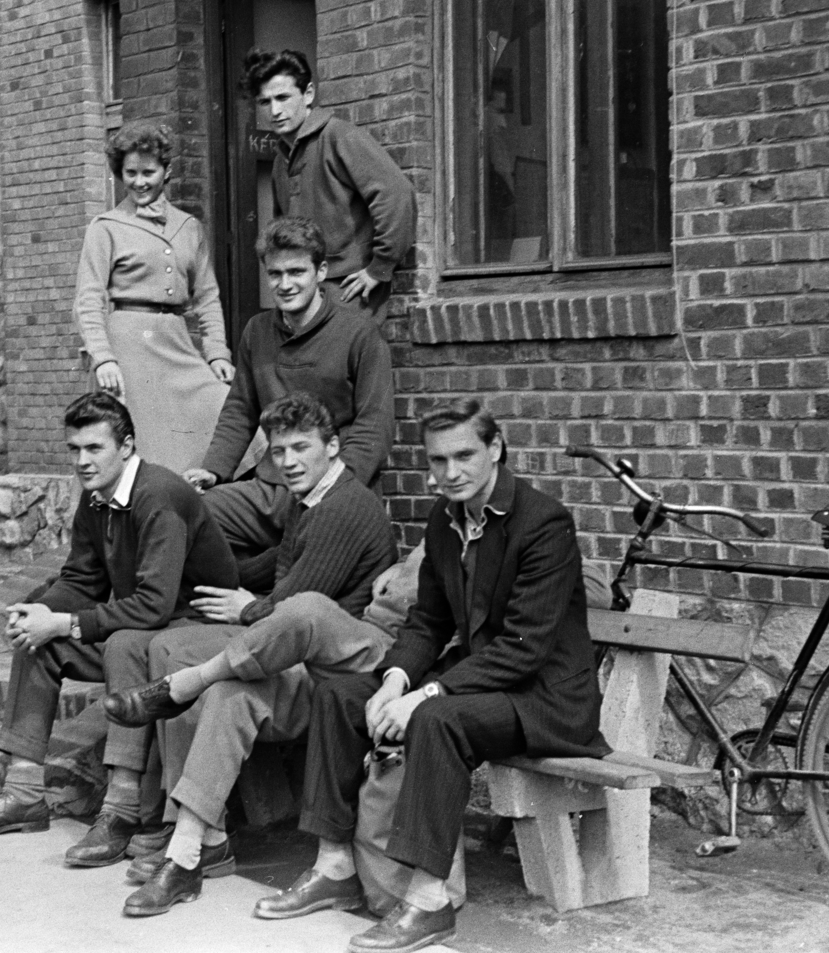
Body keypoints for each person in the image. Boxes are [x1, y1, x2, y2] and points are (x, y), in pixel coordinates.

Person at [253, 399, 609, 953]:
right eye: (438, 460)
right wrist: (396, 678)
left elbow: (524, 647)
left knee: (437, 719)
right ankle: (335, 864)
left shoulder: (544, 524)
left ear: (494, 450)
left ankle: (428, 900)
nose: (451, 472)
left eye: (464, 456)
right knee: (342, 695)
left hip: (545, 697)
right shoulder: (446, 520)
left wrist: (427, 692)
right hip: (483, 685)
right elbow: (428, 621)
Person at [100, 392, 402, 916]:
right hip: (286, 657)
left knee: (196, 664)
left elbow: (293, 605)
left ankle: (186, 835)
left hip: (327, 668)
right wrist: (208, 572)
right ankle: (197, 836)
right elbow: (277, 568)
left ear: (333, 448)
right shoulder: (309, 502)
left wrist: (244, 608)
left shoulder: (346, 507)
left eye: (301, 448)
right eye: (279, 452)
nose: (287, 462)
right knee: (178, 652)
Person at [0, 392, 238, 871]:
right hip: (151, 623)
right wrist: (38, 613)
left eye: (94, 449)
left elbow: (155, 604)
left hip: (195, 628)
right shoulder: (98, 497)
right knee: (40, 644)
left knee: (122, 643)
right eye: (74, 449)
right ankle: (23, 794)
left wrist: (66, 622)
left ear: (126, 447)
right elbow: (83, 579)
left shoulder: (158, 496)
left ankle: (120, 811)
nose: (82, 461)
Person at [182, 217, 393, 580]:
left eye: (296, 272)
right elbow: (240, 410)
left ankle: (270, 577)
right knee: (188, 513)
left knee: (312, 567)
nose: (285, 284)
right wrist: (214, 470)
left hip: (332, 487)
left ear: (321, 271)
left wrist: (334, 488)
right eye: (275, 274)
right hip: (271, 488)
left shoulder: (358, 333)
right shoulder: (257, 331)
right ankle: (252, 579)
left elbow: (374, 425)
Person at [75, 120, 234, 474]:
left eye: (149, 172)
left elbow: (207, 297)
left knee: (225, 405)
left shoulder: (189, 227)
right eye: (130, 172)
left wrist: (217, 353)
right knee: (135, 446)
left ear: (167, 171)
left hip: (176, 344)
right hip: (127, 349)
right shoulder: (106, 227)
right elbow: (88, 299)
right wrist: (103, 358)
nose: (139, 182)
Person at [242, 47, 416, 321]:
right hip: (306, 291)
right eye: (265, 102)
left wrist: (378, 268)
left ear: (308, 94)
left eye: (283, 97)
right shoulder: (281, 159)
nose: (275, 110)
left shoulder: (339, 137)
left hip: (347, 290)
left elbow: (397, 195)